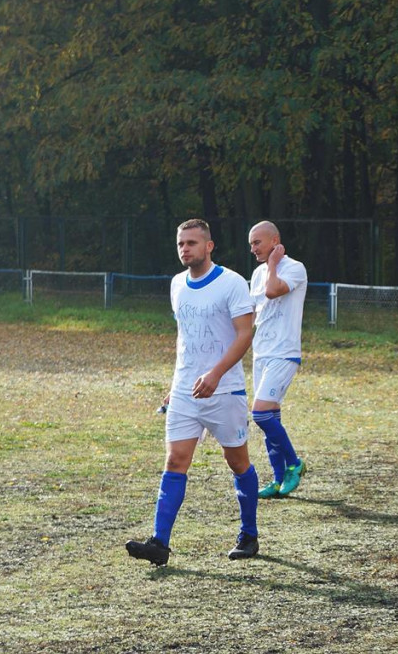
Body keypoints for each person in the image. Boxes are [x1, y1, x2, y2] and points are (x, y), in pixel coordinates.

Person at [126, 219, 260, 566]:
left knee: (238, 461)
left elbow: (245, 334)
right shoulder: (176, 285)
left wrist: (216, 374)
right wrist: (175, 387)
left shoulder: (231, 283)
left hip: (224, 390)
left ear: (209, 246)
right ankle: (159, 543)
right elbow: (185, 340)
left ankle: (249, 534)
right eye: (181, 244)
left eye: (192, 243)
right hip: (186, 392)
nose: (185, 249)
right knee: (175, 461)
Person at [247, 221, 308, 499]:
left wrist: (273, 264)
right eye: (251, 244)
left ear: (275, 241)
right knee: (270, 416)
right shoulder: (258, 272)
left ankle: (294, 463)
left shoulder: (294, 268)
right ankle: (278, 478)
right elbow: (255, 308)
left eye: (257, 242)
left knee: (260, 412)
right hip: (262, 352)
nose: (253, 249)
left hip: (284, 352)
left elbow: (273, 291)